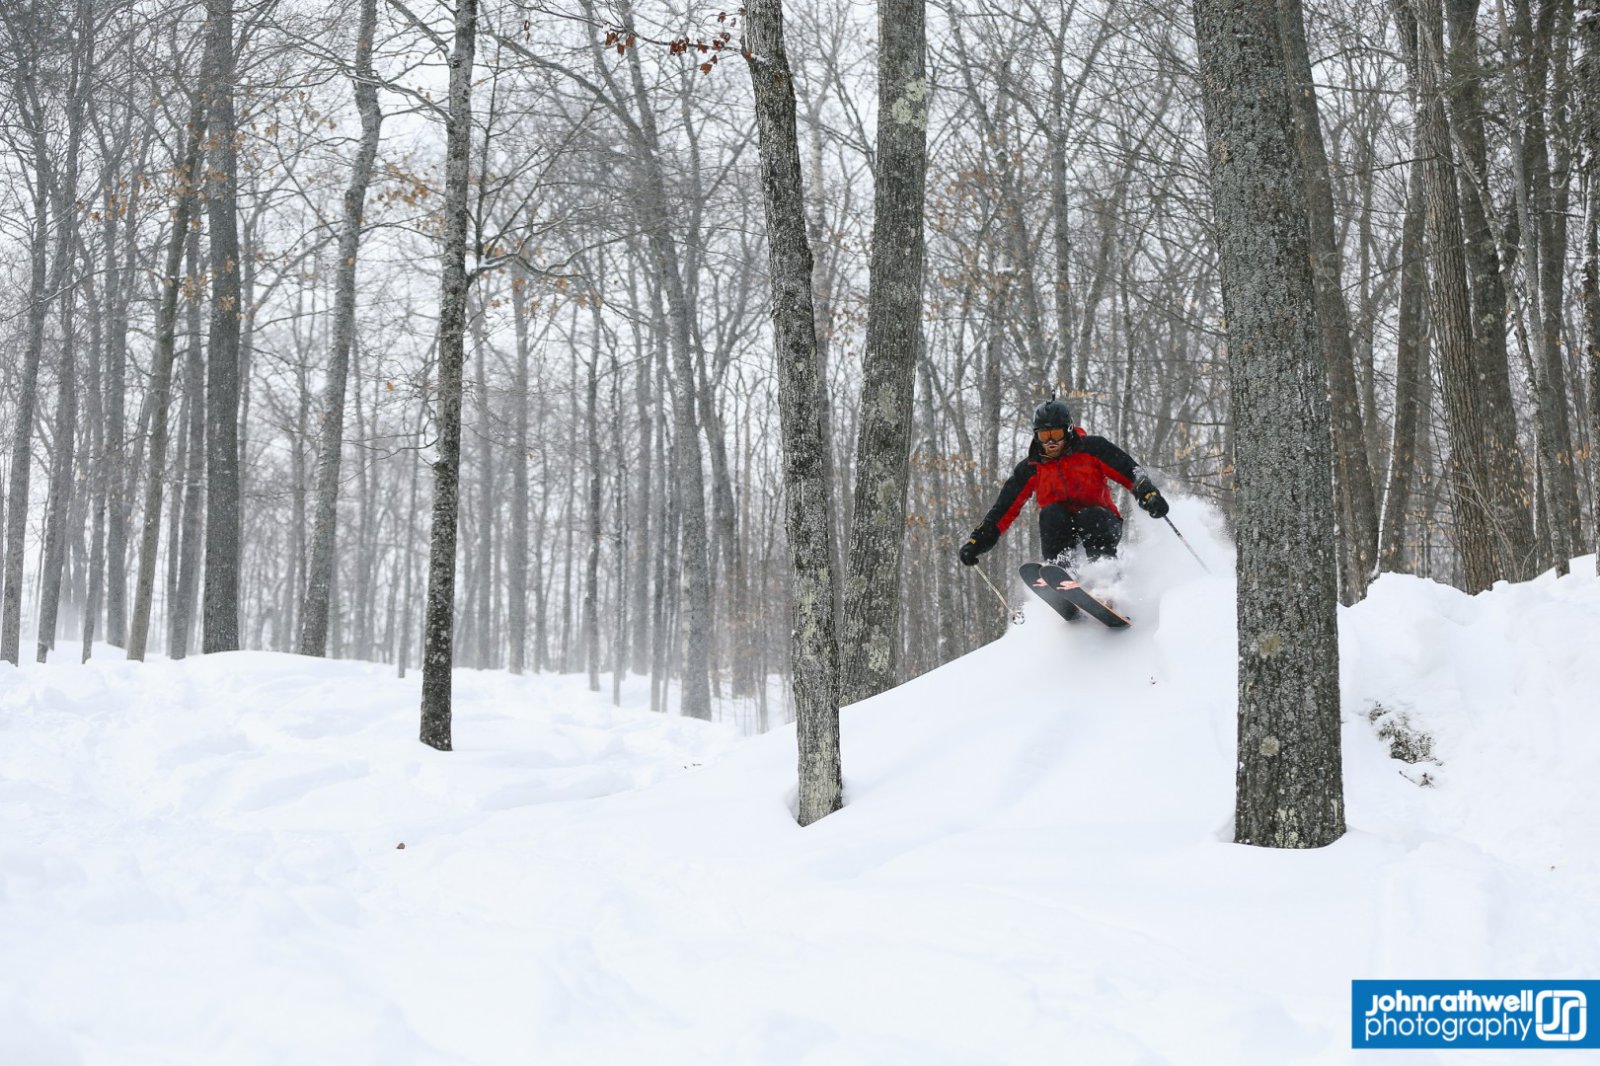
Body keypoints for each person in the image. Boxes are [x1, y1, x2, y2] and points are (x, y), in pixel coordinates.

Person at [958, 398, 1168, 569]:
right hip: (1062, 531)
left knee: (1090, 515)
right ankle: (1063, 573)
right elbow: (1003, 510)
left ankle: (1105, 576)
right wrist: (977, 542)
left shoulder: (1092, 449)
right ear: (1036, 436)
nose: (1050, 442)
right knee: (1050, 513)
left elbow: (1130, 471)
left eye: (1056, 434)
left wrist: (1148, 494)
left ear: (1068, 431)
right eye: (1044, 435)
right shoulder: (1032, 467)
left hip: (1102, 524)